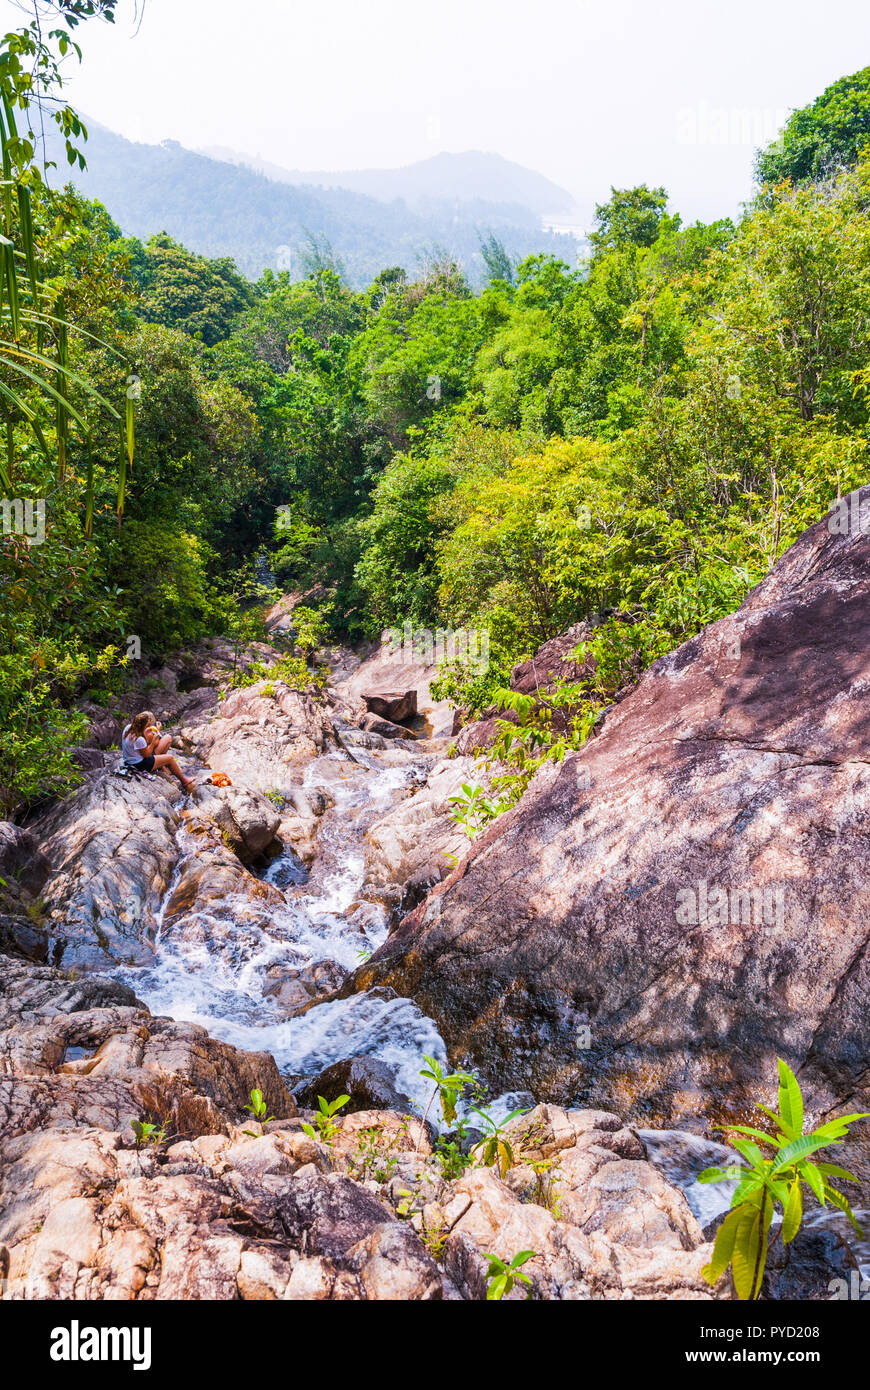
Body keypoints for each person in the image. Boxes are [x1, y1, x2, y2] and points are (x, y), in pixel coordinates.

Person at [121, 710, 196, 792]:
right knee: (170, 758)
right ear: (144, 726)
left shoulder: (128, 728)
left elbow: (142, 745)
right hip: (139, 764)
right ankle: (184, 781)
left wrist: (157, 731)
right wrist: (153, 743)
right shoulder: (139, 739)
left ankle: (160, 765)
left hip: (130, 759)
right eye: (149, 725)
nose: (150, 727)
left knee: (167, 738)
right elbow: (146, 754)